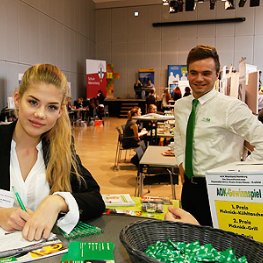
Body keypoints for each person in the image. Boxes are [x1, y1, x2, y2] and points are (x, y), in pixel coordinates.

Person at [0, 64, 105, 241]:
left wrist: (57, 202)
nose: (41, 114)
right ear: (17, 99)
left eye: (51, 107)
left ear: (60, 111)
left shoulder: (61, 149)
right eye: (33, 102)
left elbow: (95, 200)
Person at [174, 45, 263, 226]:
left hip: (221, 191)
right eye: (193, 72)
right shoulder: (181, 106)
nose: (199, 79)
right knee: (189, 244)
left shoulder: (231, 108)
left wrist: (240, 174)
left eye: (206, 73)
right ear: (187, 74)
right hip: (189, 188)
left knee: (218, 247)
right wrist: (182, 162)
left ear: (217, 75)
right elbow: (179, 138)